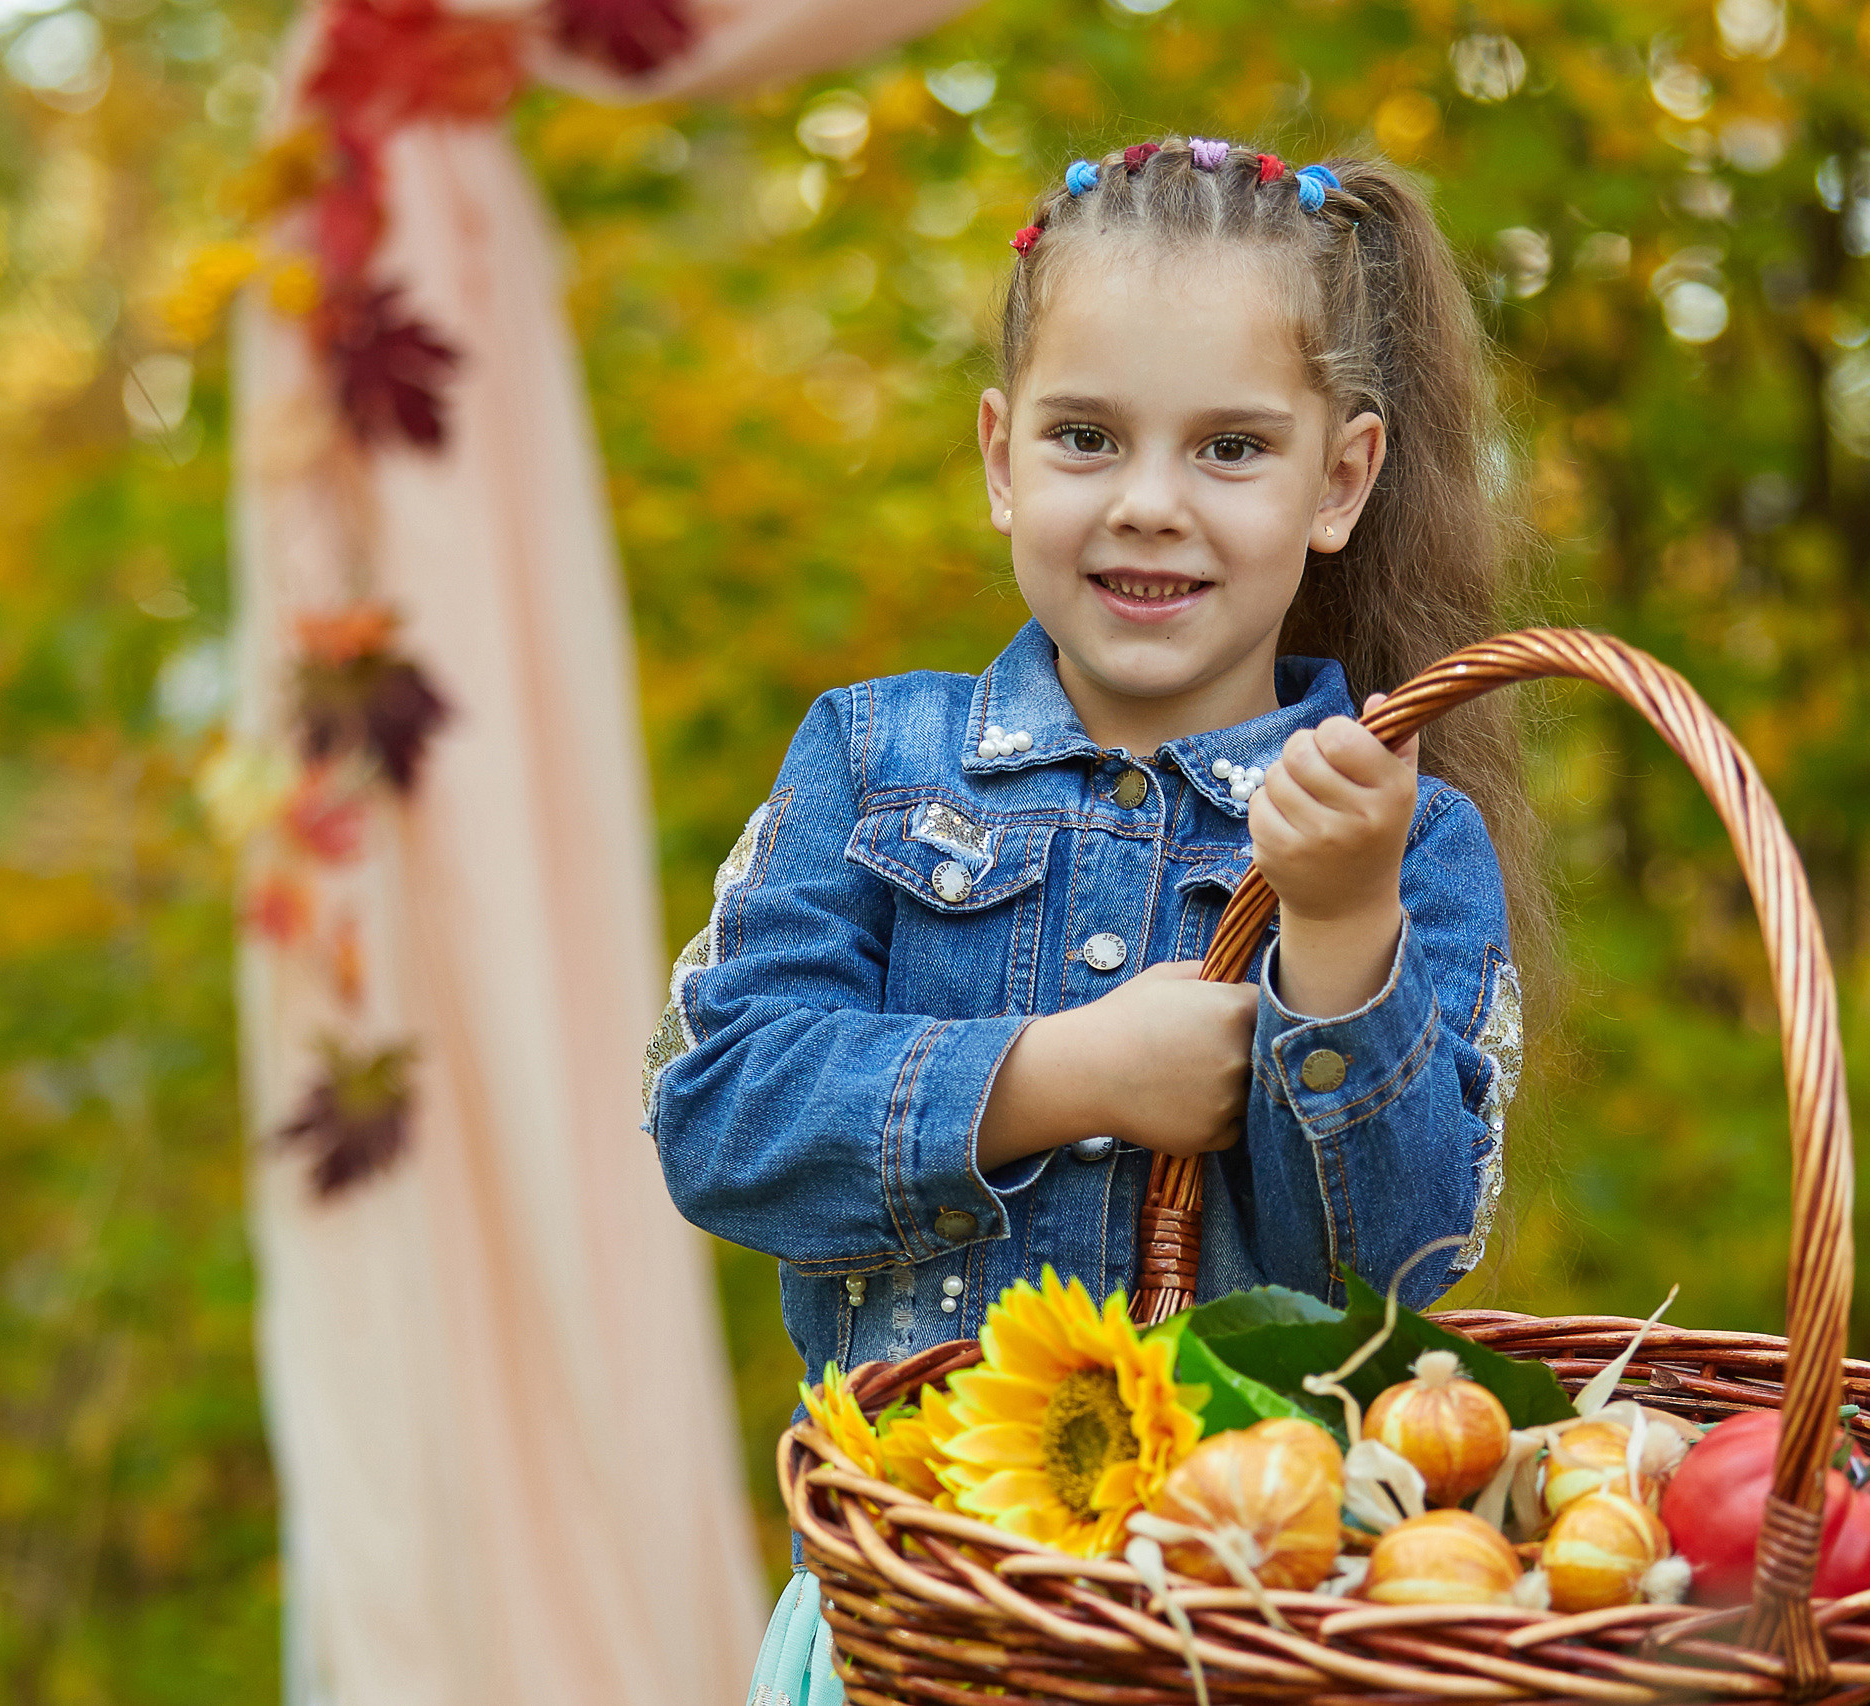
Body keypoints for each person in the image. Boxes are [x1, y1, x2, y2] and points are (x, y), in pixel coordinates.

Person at [641, 137, 1543, 1706]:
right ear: (1001, 456)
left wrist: (1335, 938)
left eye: (1230, 451)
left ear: (1342, 479)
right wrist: (1061, 1073)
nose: (1147, 504)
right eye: (1084, 436)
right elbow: (719, 1112)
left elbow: (1398, 1271)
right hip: (917, 1622)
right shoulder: (870, 763)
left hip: (1252, 1642)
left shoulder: (1409, 838)